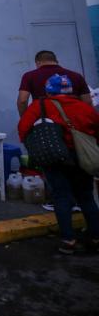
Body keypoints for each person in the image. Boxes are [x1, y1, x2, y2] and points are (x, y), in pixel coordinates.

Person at [18, 74, 99, 254]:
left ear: (48, 90)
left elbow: (23, 129)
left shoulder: (39, 106)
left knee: (62, 197)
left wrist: (35, 146)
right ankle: (95, 237)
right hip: (81, 157)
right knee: (86, 197)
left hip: (54, 158)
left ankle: (68, 240)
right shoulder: (84, 108)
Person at [17, 50, 91, 115]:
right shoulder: (77, 76)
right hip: (75, 119)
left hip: (45, 122)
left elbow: (22, 101)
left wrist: (25, 118)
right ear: (56, 61)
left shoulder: (29, 76)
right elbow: (87, 101)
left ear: (37, 62)